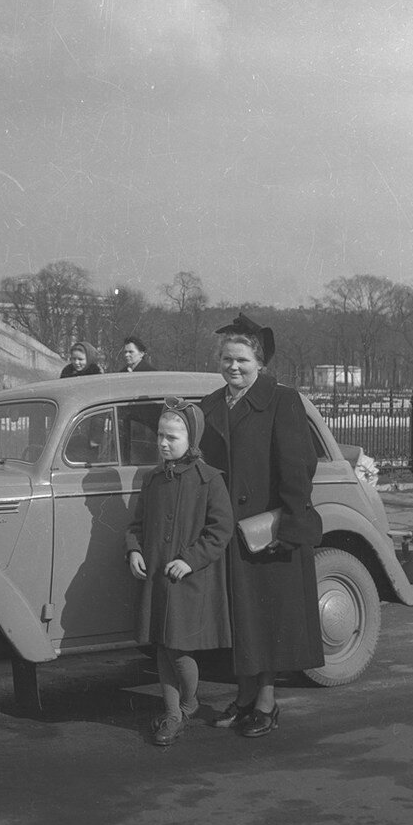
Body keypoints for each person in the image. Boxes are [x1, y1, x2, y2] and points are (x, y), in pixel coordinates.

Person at [199, 313, 323, 738]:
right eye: (227, 360)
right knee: (243, 620)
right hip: (228, 531)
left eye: (242, 361)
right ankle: (245, 696)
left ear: (260, 364)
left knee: (266, 620)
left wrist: (286, 527)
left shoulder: (282, 400)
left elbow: (297, 469)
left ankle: (266, 702)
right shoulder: (212, 404)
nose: (233, 367)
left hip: (266, 531)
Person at [125, 399, 234, 745]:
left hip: (189, 580)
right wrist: (134, 550)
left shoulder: (209, 480)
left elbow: (221, 531)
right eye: (159, 435)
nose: (162, 443)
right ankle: (173, 715)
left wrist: (190, 559)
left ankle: (188, 701)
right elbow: (137, 524)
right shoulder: (153, 479)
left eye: (171, 437)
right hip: (157, 575)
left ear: (192, 439)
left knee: (179, 649)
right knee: (162, 644)